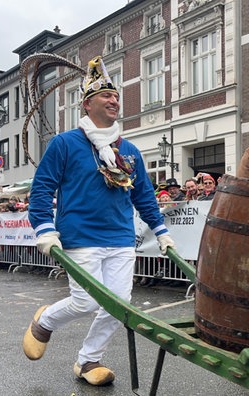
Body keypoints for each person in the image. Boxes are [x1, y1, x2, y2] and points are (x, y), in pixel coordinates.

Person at [23, 56, 176, 387]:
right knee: (87, 301)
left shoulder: (129, 150)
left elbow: (145, 197)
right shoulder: (65, 144)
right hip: (80, 238)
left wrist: (162, 232)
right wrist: (45, 229)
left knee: (119, 305)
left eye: (117, 96)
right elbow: (41, 190)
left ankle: (88, 360)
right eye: (107, 96)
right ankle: (45, 320)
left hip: (121, 239)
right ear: (87, 103)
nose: (115, 100)